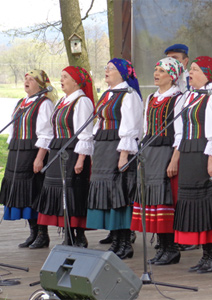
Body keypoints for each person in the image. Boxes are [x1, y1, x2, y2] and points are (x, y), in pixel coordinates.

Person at [173, 56, 212, 274]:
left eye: (195, 70)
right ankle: (205, 256)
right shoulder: (191, 96)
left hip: (205, 154)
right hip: (190, 153)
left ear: (209, 73)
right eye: (190, 70)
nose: (190, 73)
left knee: (209, 203)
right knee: (196, 205)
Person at [86, 58, 143, 260]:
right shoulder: (108, 94)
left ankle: (125, 242)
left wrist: (124, 155)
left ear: (122, 72)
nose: (106, 71)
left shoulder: (129, 95)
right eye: (106, 67)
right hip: (103, 148)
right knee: (109, 196)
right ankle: (116, 240)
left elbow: (131, 126)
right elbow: (99, 123)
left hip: (118, 149)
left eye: (111, 68)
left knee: (120, 195)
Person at [130, 57, 185, 265]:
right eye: (156, 69)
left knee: (164, 198)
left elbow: (180, 133)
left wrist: (174, 159)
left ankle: (171, 248)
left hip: (166, 152)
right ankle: (162, 246)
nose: (156, 73)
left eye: (161, 70)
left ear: (172, 76)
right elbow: (146, 129)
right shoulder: (151, 97)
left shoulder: (178, 99)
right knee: (152, 198)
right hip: (150, 152)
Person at [34, 66, 95, 248]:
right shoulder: (62, 101)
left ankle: (79, 235)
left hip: (73, 151)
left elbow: (85, 133)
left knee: (73, 191)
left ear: (76, 81)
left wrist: (81, 159)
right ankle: (67, 233)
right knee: (59, 191)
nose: (61, 80)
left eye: (65, 77)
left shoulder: (82, 101)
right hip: (58, 150)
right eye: (61, 76)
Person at [0, 69, 57, 249]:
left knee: (34, 191)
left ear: (40, 84)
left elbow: (46, 134)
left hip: (33, 151)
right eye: (26, 79)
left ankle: (42, 234)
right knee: (23, 193)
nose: (27, 82)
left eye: (31, 79)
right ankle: (33, 232)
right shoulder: (21, 102)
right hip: (18, 150)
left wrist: (39, 158)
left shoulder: (44, 104)